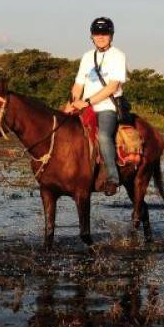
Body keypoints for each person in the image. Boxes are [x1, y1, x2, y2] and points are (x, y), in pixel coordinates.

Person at [68, 17, 127, 196]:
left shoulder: (118, 55)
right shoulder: (87, 57)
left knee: (103, 136)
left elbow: (112, 86)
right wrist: (71, 103)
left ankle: (113, 178)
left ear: (111, 36)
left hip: (106, 107)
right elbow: (78, 84)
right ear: (92, 36)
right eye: (97, 33)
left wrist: (86, 102)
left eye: (104, 33)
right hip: (84, 106)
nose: (101, 37)